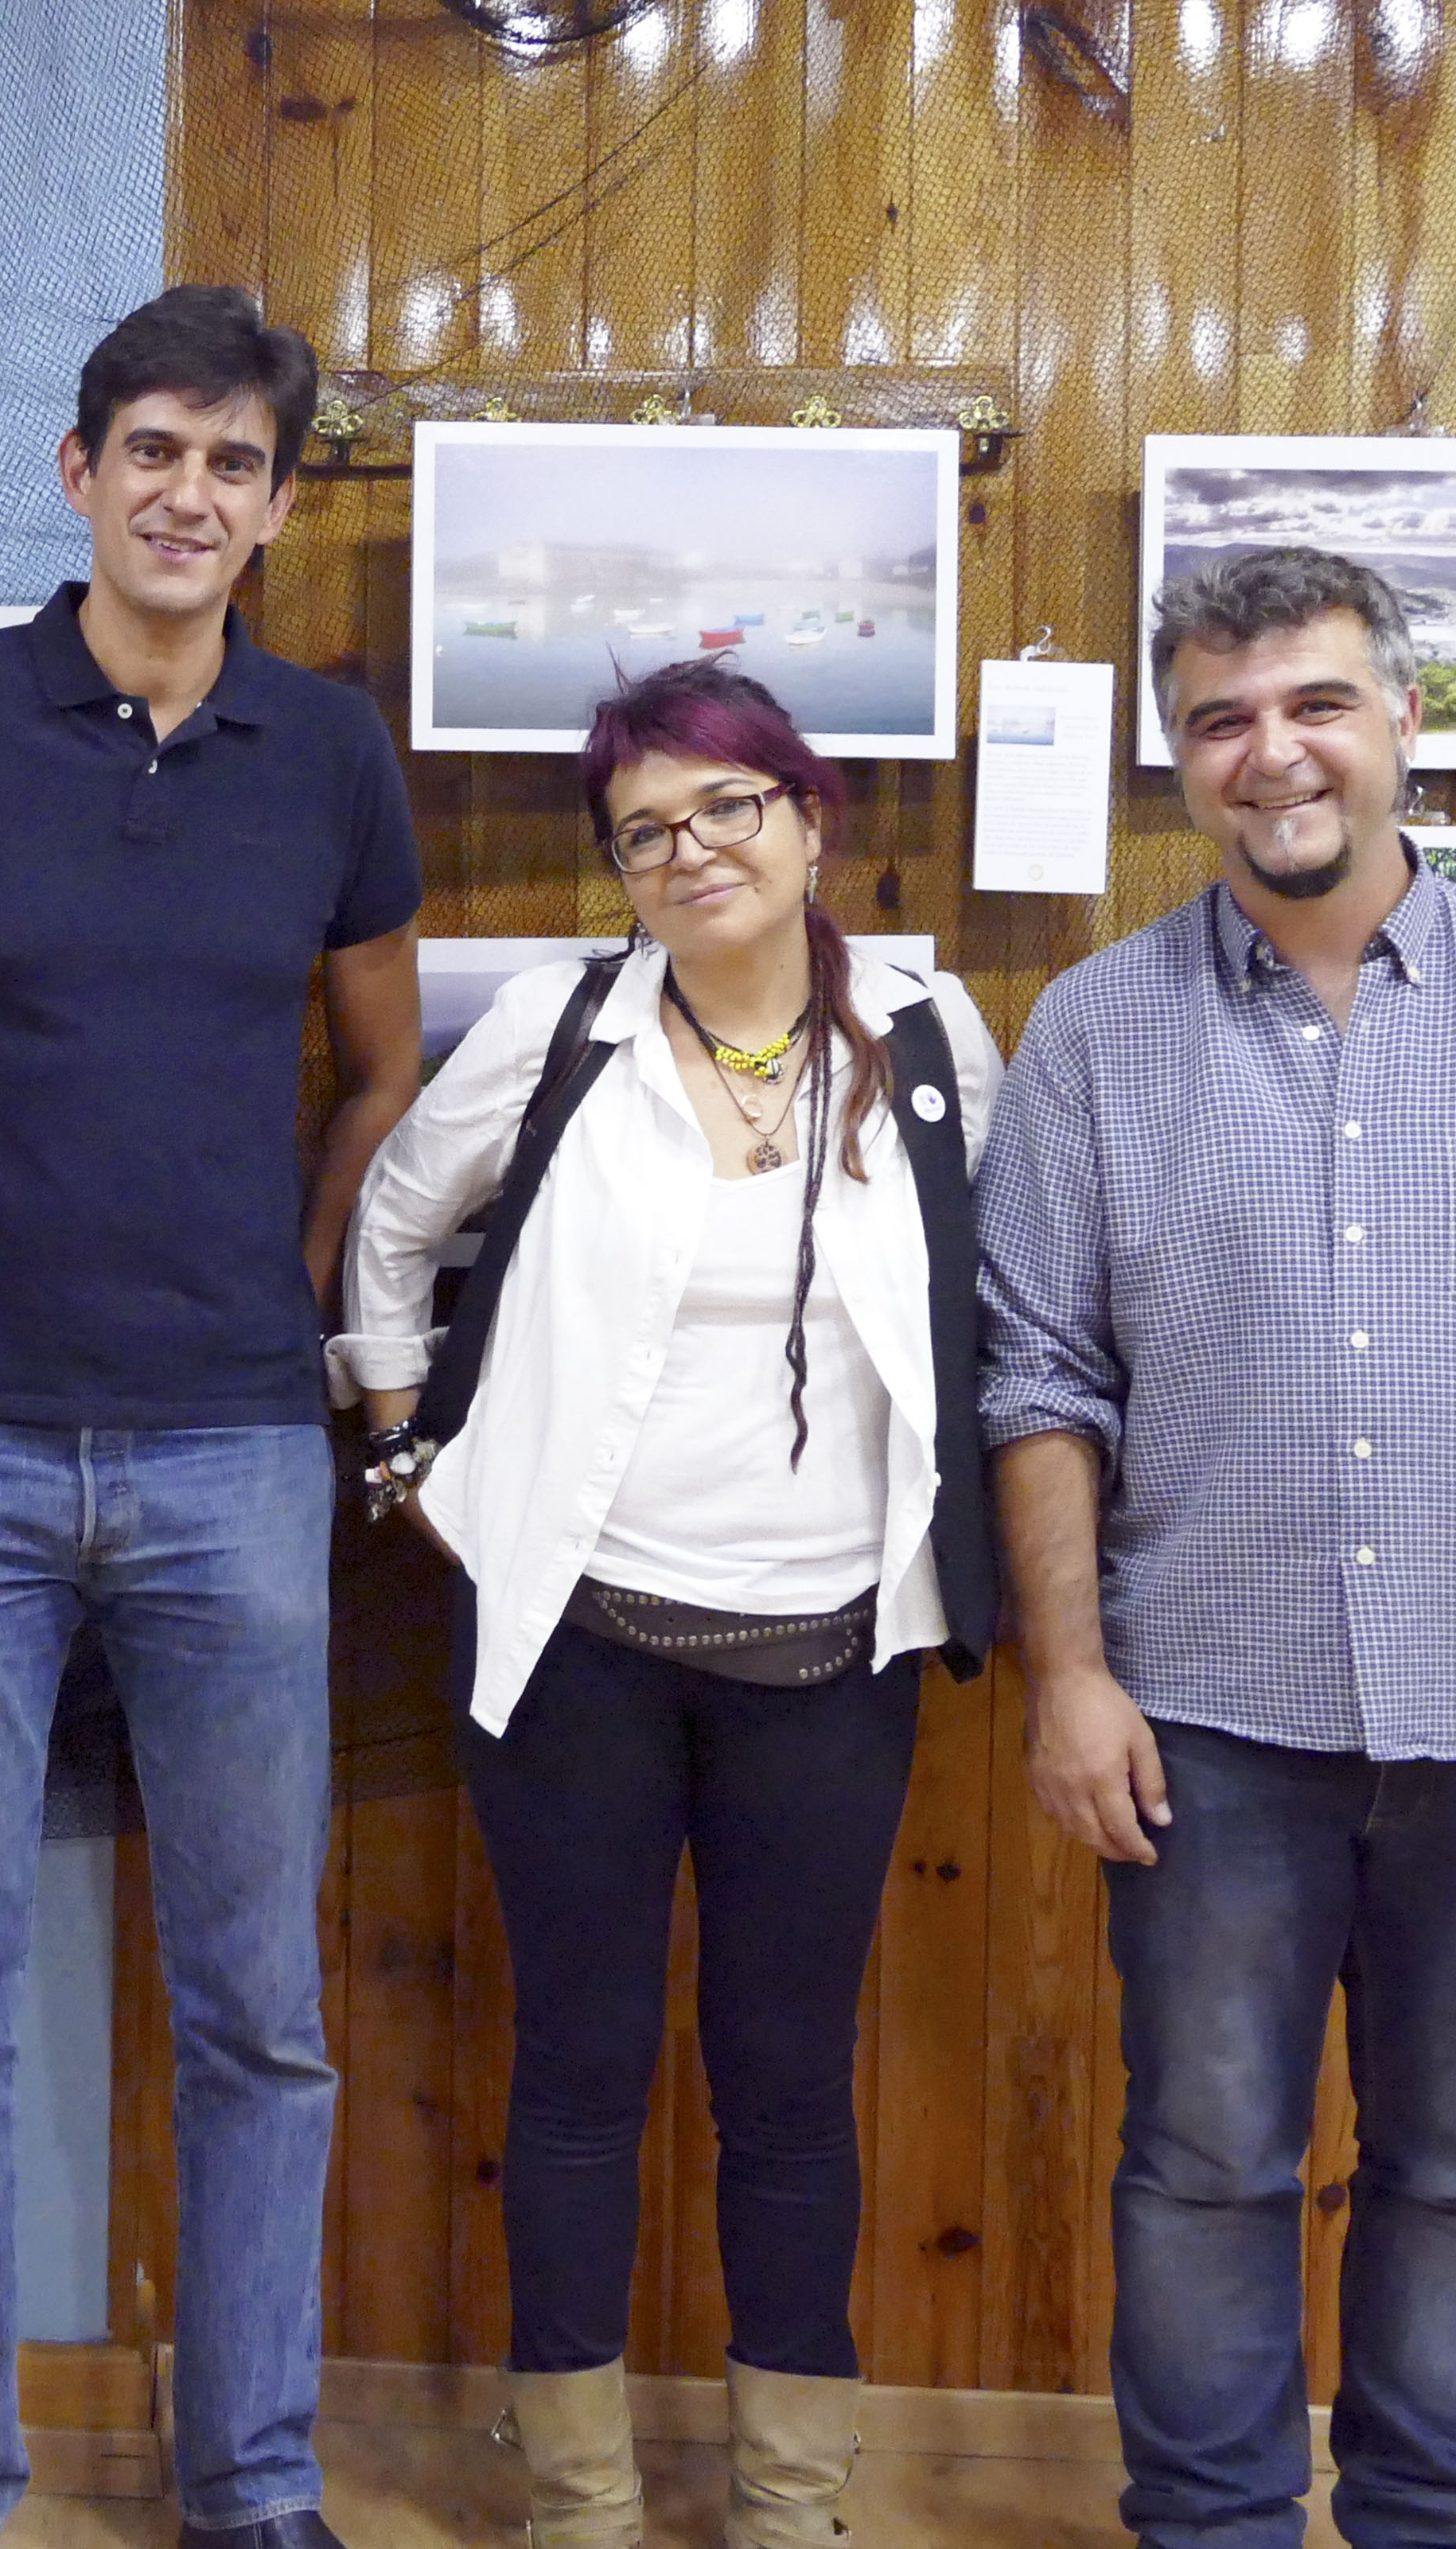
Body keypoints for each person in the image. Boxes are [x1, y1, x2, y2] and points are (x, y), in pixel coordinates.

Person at [981, 544, 1456, 2549]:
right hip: (1204, 1730)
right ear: (1179, 757)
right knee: (1201, 2172)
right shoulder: (1092, 1033)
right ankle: (1215, 2527)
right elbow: (1039, 1377)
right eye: (1221, 719)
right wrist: (1068, 1676)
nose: (1273, 753)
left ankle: (1433, 2520)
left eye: (1315, 703)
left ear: (1405, 719)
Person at [0, 284, 424, 2549]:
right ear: (78, 473)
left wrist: (298, 1277)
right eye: (152, 449)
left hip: (233, 1456)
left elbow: (380, 1068)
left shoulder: (328, 753)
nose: (187, 494)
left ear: (273, 507)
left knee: (260, 2011)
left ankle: (250, 2483)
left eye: (232, 463)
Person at [332, 660, 1001, 2549]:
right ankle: (580, 2500)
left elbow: (997, 1292)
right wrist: (402, 1446)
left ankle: (790, 2500)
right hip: (579, 1647)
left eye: (726, 807)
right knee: (577, 2074)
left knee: (786, 2088)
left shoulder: (932, 1036)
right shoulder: (562, 1029)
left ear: (808, 821)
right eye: (644, 830)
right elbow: (395, 1220)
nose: (690, 850)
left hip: (833, 1654)